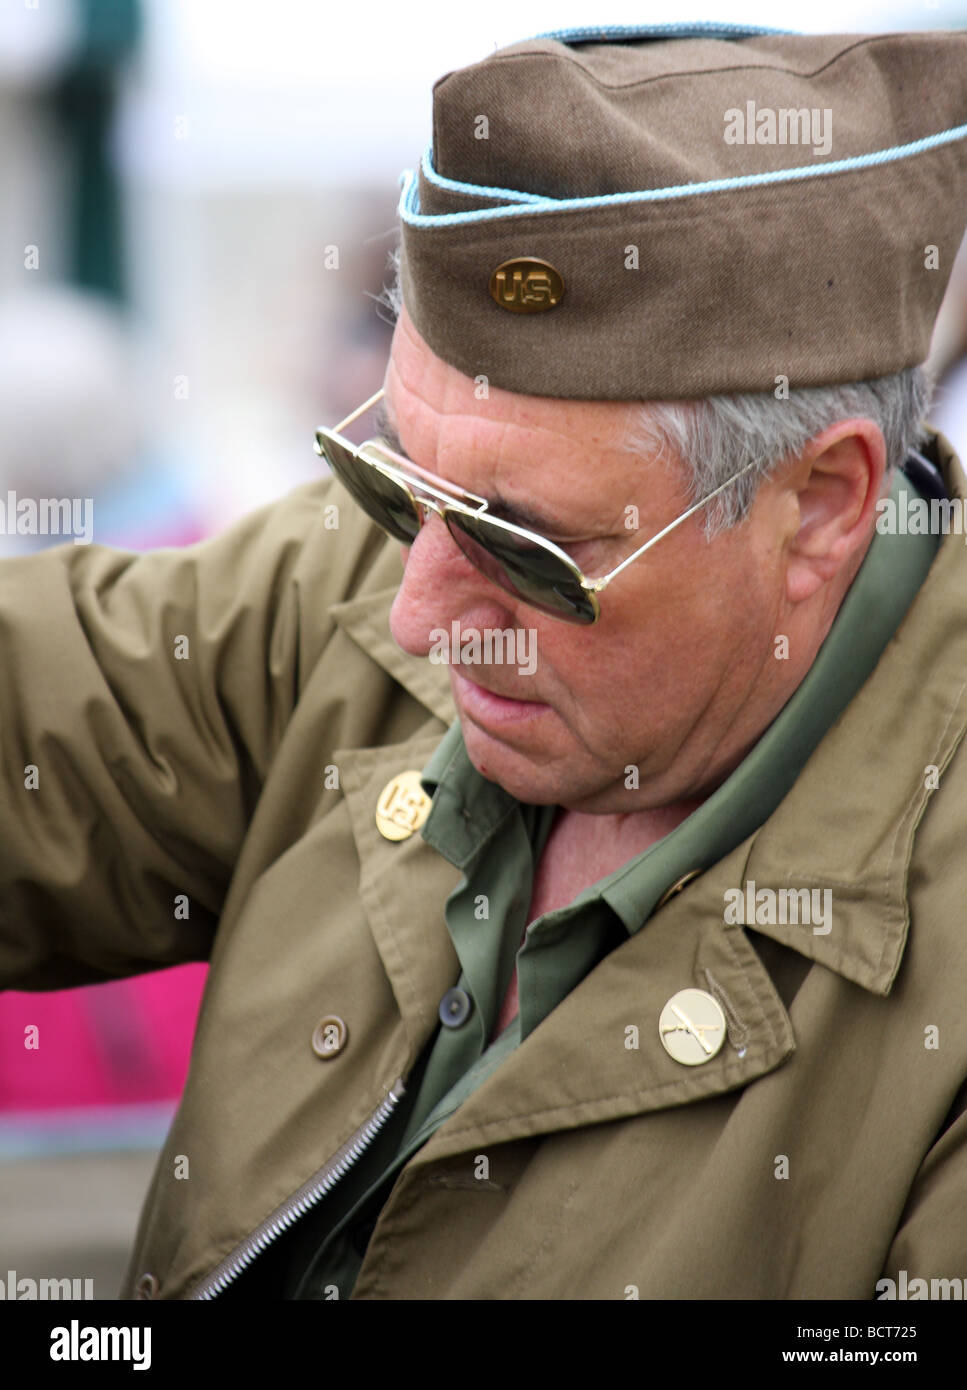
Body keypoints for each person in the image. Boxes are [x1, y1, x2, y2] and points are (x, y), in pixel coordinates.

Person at [3, 24, 967, 1302]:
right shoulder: (356, 585)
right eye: (391, 481)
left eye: (530, 548)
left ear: (824, 506)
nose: (416, 609)